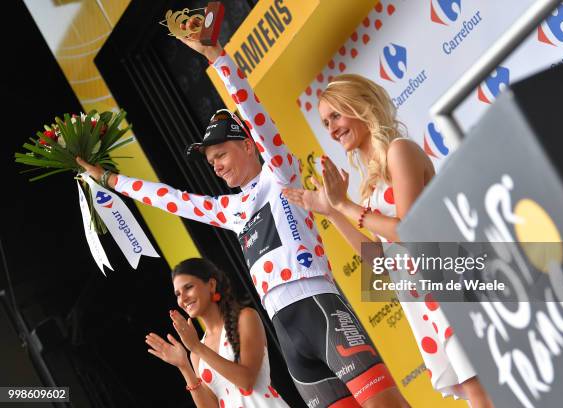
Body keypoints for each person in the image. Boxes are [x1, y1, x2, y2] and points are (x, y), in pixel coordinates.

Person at [76, 15, 410, 408]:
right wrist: (111, 182)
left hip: (320, 307)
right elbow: (169, 198)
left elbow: (256, 117)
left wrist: (217, 58)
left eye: (220, 154)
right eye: (210, 161)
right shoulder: (229, 209)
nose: (215, 166)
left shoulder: (279, 174)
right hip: (285, 331)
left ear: (248, 147)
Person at [281, 74, 495, 407]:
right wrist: (334, 213)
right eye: (325, 122)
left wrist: (346, 205)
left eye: (336, 115)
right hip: (421, 300)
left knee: (482, 391)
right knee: (473, 393)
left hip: (447, 284)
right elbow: (380, 264)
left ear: (360, 105)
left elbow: (410, 230)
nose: (332, 128)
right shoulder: (369, 185)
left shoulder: (400, 150)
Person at [145, 257, 288, 407]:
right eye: (178, 294)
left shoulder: (246, 317)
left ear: (212, 285)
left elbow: (247, 381)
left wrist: (197, 347)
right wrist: (184, 366)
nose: (183, 299)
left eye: (188, 287)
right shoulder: (196, 352)